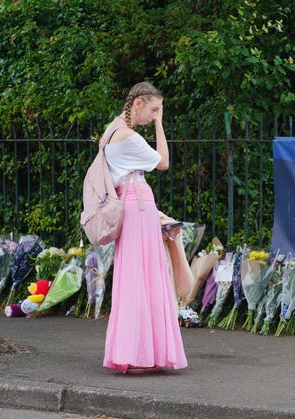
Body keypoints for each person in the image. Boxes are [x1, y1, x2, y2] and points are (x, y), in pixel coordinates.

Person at [101, 82, 187, 374]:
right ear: (138, 103)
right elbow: (163, 162)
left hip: (129, 204)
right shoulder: (130, 138)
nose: (154, 116)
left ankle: (133, 352)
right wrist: (161, 125)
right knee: (146, 277)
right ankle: (143, 354)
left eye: (157, 112)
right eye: (153, 109)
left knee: (133, 279)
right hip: (138, 206)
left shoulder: (111, 129)